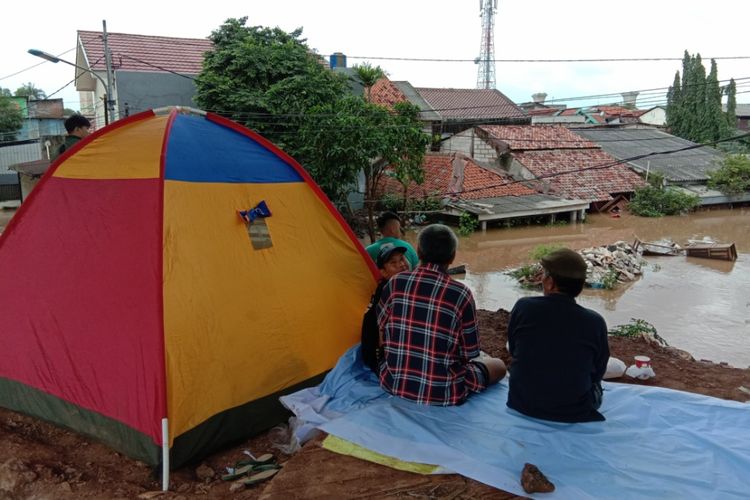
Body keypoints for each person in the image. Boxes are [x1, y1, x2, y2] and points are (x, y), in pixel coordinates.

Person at [377, 224, 506, 405]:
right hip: (444, 390)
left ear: (419, 251)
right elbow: (470, 352)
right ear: (452, 257)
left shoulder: (395, 282)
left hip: (394, 382)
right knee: (498, 365)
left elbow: (381, 327)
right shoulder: (461, 293)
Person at [506, 248, 610, 423]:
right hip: (573, 411)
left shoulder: (524, 307)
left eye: (544, 275)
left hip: (522, 403)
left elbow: (514, 349)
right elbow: (598, 371)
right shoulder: (595, 322)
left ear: (550, 283)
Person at [360, 243, 410, 373]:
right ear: (383, 272)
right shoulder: (391, 290)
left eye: (402, 259)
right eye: (393, 263)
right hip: (379, 360)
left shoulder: (390, 285)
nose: (401, 265)